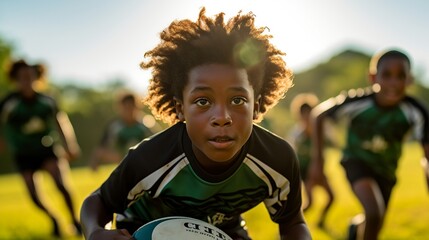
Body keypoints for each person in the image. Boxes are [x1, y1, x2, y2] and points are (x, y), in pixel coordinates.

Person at [80, 8, 312, 240]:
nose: (222, 117)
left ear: (257, 106)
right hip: (143, 229)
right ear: (181, 108)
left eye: (237, 100)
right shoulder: (151, 158)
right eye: (203, 101)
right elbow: (97, 201)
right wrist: (94, 232)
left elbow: (292, 221)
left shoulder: (278, 159)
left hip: (223, 233)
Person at [309, 49, 429, 240]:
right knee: (374, 212)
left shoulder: (416, 110)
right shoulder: (357, 102)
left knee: (375, 222)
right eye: (386, 75)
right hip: (357, 162)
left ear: (409, 80)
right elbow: (318, 114)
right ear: (373, 77)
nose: (393, 83)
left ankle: (355, 228)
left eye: (401, 76)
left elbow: (426, 154)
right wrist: (318, 161)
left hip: (387, 171)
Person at [0, 59, 82, 237]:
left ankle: (74, 221)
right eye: (22, 77)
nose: (26, 80)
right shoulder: (9, 103)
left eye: (30, 76)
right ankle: (54, 219)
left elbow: (61, 122)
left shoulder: (47, 100)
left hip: (46, 148)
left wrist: (70, 144)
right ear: (15, 79)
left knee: (61, 184)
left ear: (37, 77)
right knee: (33, 194)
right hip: (23, 153)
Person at [287, 93, 334, 228]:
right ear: (299, 116)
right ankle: (291, 225)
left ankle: (321, 222)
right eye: (304, 114)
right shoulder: (297, 134)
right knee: (310, 203)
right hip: (306, 172)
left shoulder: (321, 131)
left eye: (310, 113)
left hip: (319, 169)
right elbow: (291, 153)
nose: (307, 117)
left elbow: (332, 142)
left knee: (331, 197)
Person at [90, 91, 154, 171]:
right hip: (121, 159)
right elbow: (101, 147)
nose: (129, 111)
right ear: (120, 108)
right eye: (126, 108)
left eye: (131, 107)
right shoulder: (114, 126)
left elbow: (159, 143)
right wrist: (95, 161)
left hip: (143, 160)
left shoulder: (146, 123)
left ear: (137, 108)